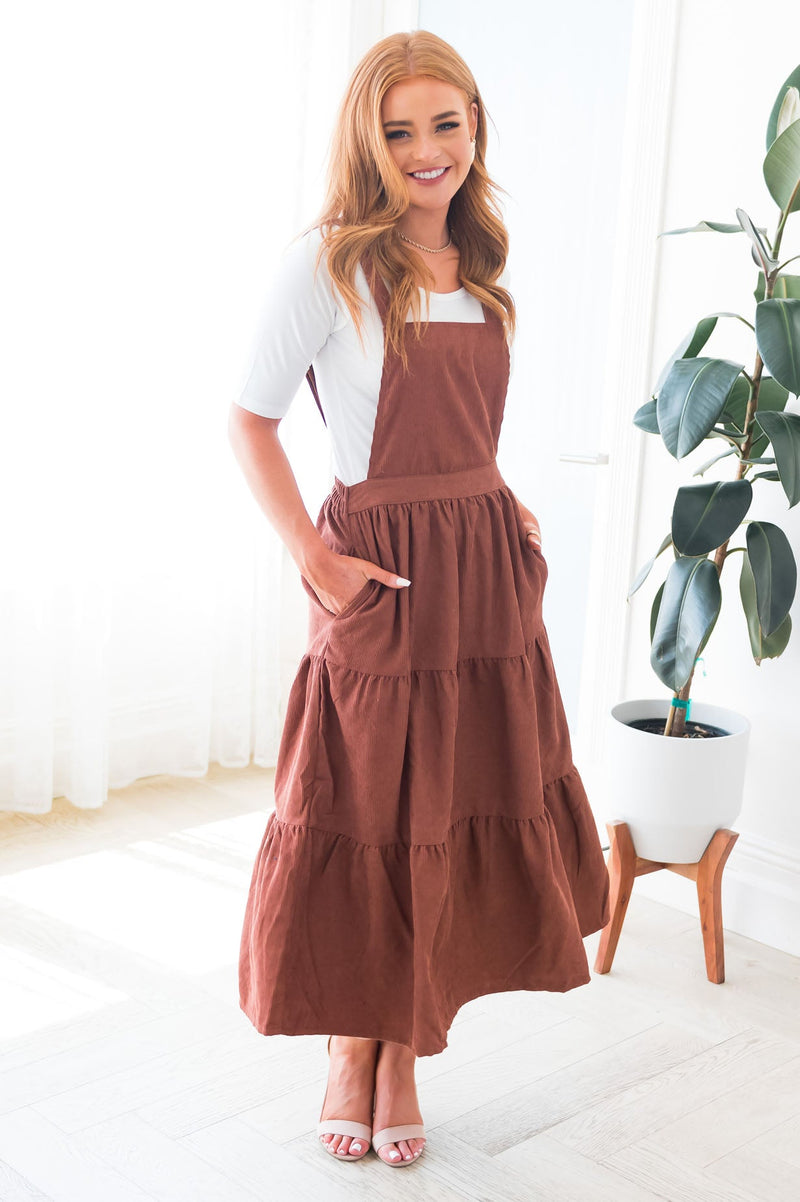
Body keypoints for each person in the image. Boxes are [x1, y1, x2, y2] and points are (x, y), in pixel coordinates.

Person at [229, 29, 611, 1170]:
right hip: (381, 576)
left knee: (446, 806)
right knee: (364, 811)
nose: (425, 150)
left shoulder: (482, 268)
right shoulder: (327, 263)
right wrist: (313, 556)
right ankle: (350, 1045)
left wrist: (504, 500)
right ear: (367, 140)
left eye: (446, 123)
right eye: (398, 131)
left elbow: (464, 435)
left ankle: (403, 1051)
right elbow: (248, 420)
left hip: (481, 572)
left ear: (475, 126)